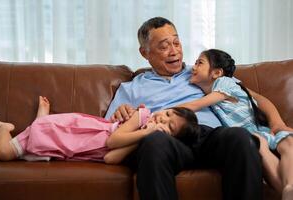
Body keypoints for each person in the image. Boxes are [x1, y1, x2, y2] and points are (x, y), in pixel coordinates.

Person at [105, 17, 288, 200]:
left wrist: (277, 123)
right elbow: (108, 127)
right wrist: (121, 114)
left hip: (208, 135)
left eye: (176, 42)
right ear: (145, 52)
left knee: (239, 137)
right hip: (166, 138)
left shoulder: (202, 73)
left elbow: (253, 98)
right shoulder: (130, 88)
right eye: (164, 46)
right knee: (153, 143)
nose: (174, 51)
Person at [179, 48, 293, 199]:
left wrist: (165, 111)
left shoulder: (224, 83)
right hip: (252, 136)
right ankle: (286, 191)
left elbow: (196, 105)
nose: (193, 67)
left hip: (259, 129)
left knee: (288, 140)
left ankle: (290, 185)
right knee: (261, 145)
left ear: (217, 73)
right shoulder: (215, 88)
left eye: (199, 63)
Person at [0, 96, 199, 164]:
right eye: (169, 113)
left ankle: (40, 121)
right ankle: (4, 127)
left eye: (169, 126)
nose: (163, 118)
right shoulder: (142, 116)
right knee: (3, 153)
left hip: (78, 146)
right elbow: (112, 141)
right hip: (72, 132)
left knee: (39, 137)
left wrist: (142, 139)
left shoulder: (145, 142)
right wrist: (145, 132)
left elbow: (110, 158)